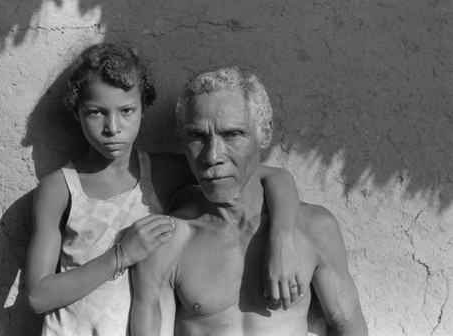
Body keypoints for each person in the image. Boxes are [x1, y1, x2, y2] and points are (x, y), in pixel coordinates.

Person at [25, 43, 305, 336]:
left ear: (143, 110)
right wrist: (122, 255)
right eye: (96, 113)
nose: (112, 127)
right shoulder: (61, 188)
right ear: (76, 113)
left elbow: (274, 178)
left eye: (126, 111)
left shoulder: (160, 173)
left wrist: (282, 239)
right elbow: (37, 296)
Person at [130, 66, 368, 336]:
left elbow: (347, 324)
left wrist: (281, 236)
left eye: (232, 134)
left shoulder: (313, 228)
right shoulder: (166, 242)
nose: (212, 156)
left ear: (264, 133)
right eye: (197, 136)